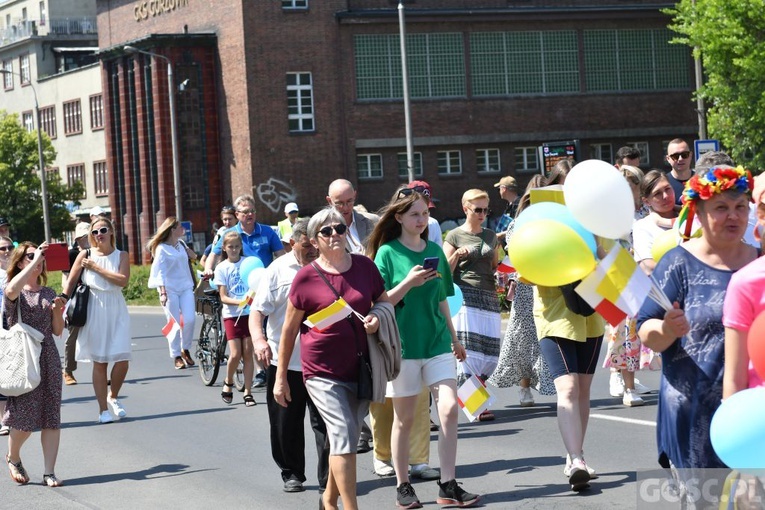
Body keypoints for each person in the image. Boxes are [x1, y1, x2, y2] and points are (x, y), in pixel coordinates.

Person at [637, 165, 756, 487]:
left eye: (740, 207)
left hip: (754, 415)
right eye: (721, 208)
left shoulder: (760, 263)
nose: (733, 216)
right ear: (699, 215)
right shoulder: (677, 263)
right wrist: (666, 330)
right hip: (693, 416)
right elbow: (645, 328)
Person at [368, 188, 481, 509]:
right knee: (403, 420)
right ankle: (403, 485)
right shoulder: (388, 253)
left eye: (425, 214)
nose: (421, 219)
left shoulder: (433, 249)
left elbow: (444, 297)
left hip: (436, 344)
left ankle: (448, 484)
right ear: (399, 217)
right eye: (415, 214)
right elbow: (379, 301)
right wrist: (408, 283)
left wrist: (455, 338)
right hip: (402, 347)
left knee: (448, 409)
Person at [274, 207, 388, 510]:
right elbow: (289, 330)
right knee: (341, 434)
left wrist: (376, 317)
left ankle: (328, 499)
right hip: (321, 372)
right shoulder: (306, 278)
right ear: (314, 240)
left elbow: (383, 300)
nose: (335, 234)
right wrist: (281, 377)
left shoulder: (365, 267)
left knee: (347, 436)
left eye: (339, 228)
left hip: (360, 367)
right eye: (326, 231)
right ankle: (350, 507)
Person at [250, 219, 330, 494]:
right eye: (307, 246)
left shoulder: (329, 266)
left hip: (323, 360)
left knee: (327, 424)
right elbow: (257, 312)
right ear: (292, 243)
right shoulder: (277, 271)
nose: (312, 251)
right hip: (285, 361)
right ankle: (292, 472)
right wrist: (259, 340)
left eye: (315, 245)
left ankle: (329, 479)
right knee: (286, 424)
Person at [489, 175, 556, 407]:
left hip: (550, 285)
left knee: (547, 336)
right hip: (527, 287)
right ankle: (524, 386)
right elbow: (513, 255)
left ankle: (549, 382)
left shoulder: (555, 223)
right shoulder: (517, 224)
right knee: (523, 338)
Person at [2, 242, 65, 486]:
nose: (38, 260)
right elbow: (11, 290)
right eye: (31, 256)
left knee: (51, 416)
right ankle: (13, 456)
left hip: (47, 356)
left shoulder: (48, 292)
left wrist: (58, 311)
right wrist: (33, 260)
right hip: (22, 356)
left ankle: (49, 472)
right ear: (19, 262)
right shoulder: (14, 291)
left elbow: (57, 330)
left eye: (40, 257)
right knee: (25, 421)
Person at [534, 284, 605, 491]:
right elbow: (527, 272)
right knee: (568, 388)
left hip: (591, 314)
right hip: (555, 316)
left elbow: (613, 264)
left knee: (583, 390)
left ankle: (576, 454)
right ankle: (576, 461)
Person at [62, 218, 132, 424]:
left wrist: (96, 268)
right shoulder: (85, 254)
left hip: (116, 307)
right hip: (94, 306)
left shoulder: (122, 255)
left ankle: (114, 396)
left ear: (111, 232)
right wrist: (61, 301)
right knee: (100, 361)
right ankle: (103, 410)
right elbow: (72, 280)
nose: (99, 234)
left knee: (123, 359)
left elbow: (123, 280)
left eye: (103, 230)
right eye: (94, 232)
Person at [442, 189, 500, 421]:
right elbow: (444, 271)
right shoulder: (454, 236)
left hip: (488, 296)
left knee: (489, 352)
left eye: (486, 210)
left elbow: (494, 264)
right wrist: (457, 255)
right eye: (478, 210)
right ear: (465, 208)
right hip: (465, 296)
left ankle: (475, 397)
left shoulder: (490, 235)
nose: (482, 214)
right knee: (469, 353)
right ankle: (477, 406)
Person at [603, 166, 655, 407]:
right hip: (623, 278)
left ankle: (630, 380)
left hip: (648, 276)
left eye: (631, 183)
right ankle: (626, 383)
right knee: (625, 333)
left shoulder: (648, 210)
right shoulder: (612, 215)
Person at [147, 218, 198, 370]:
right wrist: (163, 292)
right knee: (173, 322)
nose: (182, 228)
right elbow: (159, 272)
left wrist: (190, 253)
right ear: (171, 230)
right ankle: (176, 355)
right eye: (179, 226)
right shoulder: (161, 249)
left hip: (185, 286)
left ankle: (185, 348)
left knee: (190, 319)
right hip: (169, 289)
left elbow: (194, 257)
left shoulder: (181, 244)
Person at [214, 231, 256, 407]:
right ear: (224, 248)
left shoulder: (248, 263)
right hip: (232, 315)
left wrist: (252, 298)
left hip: (249, 313)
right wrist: (240, 301)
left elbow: (255, 283)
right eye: (230, 247)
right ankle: (228, 382)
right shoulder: (222, 268)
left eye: (237, 246)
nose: (234, 250)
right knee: (235, 353)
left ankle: (247, 392)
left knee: (248, 352)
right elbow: (223, 296)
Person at [204, 195, 285, 273]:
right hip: (239, 281)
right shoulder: (229, 234)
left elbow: (281, 255)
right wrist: (208, 269)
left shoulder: (267, 231)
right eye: (246, 212)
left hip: (265, 280)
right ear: (237, 215)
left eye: (252, 211)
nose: (250, 214)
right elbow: (213, 255)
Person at [61, 222, 90, 386]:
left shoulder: (99, 253)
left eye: (87, 236)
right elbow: (67, 278)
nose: (85, 240)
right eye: (81, 238)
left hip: (96, 297)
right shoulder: (72, 254)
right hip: (76, 298)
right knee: (73, 334)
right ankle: (68, 370)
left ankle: (101, 370)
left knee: (98, 334)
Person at [632, 170, 678, 275]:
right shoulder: (642, 226)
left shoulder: (691, 217)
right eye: (658, 194)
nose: (666, 196)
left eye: (667, 189)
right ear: (646, 201)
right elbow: (648, 267)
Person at [326, 179, 377, 255]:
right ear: (329, 201)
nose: (345, 208)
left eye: (349, 201)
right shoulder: (324, 230)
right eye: (339, 203)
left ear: (355, 196)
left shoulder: (372, 222)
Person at [0, 235, 15, 436]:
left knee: (14, 371)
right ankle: (3, 419)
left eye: (9, 247)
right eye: (2, 248)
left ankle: (15, 416)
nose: (6, 251)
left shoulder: (17, 271)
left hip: (15, 326)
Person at [407, 181, 442, 247]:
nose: (421, 220)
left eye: (425, 212)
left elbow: (438, 254)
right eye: (415, 213)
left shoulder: (433, 223)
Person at [664, 138, 694, 205]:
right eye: (675, 156)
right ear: (668, 159)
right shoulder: (663, 183)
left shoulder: (701, 180)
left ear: (690, 155)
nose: (680, 159)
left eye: (684, 155)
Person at [493, 176, 520, 246]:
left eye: (499, 189)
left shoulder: (520, 205)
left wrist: (501, 235)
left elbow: (520, 227)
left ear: (504, 189)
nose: (499, 191)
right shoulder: (509, 205)